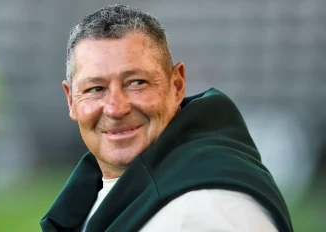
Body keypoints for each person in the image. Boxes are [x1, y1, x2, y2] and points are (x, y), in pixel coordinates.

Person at [41, 5, 293, 232]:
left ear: (177, 85)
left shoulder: (211, 209)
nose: (115, 109)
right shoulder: (95, 195)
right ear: (71, 100)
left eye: (136, 83)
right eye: (95, 89)